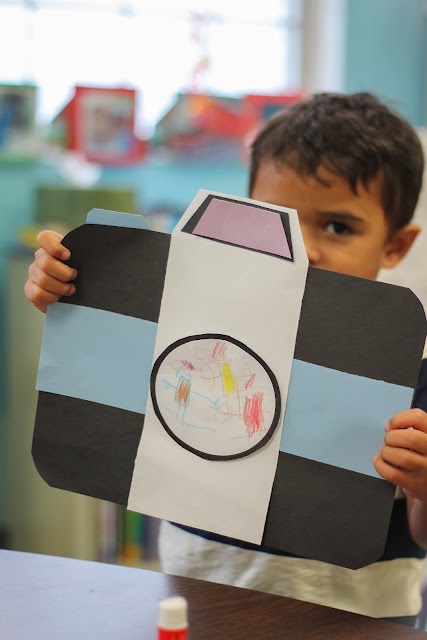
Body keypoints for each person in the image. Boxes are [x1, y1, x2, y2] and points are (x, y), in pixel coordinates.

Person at [25, 91, 427, 627]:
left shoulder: (407, 369)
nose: (304, 252)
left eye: (337, 227)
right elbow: (112, 365)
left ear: (396, 245)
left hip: (354, 620)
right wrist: (69, 293)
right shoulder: (197, 324)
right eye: (275, 218)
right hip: (199, 598)